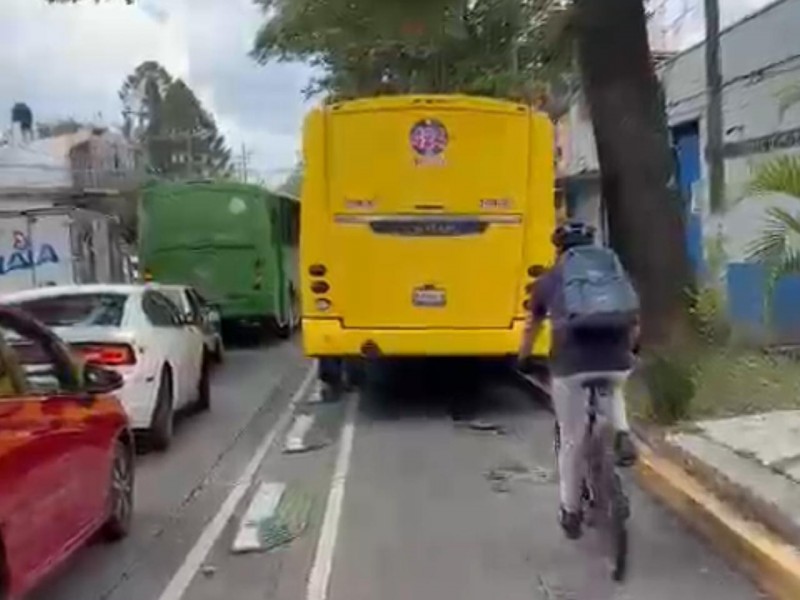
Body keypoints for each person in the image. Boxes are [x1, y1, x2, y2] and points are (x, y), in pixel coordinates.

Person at [517, 221, 639, 541]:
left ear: (559, 249)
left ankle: (570, 510)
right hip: (617, 359)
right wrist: (631, 347)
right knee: (614, 386)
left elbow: (532, 327)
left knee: (572, 439)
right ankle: (623, 433)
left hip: (572, 367)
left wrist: (524, 358)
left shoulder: (550, 279)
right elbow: (633, 315)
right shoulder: (611, 270)